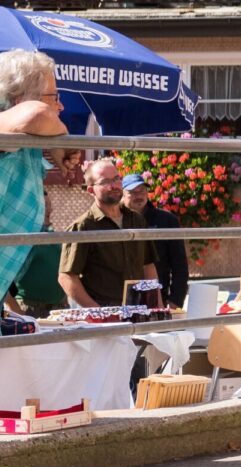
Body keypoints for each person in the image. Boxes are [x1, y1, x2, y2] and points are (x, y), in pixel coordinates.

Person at [0, 50, 67, 308]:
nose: (60, 106)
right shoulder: (8, 130)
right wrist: (63, 139)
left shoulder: (25, 145)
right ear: (21, 98)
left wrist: (59, 143)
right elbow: (36, 115)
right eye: (55, 96)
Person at [59, 157, 158, 309]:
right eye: (105, 182)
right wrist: (98, 312)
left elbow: (148, 265)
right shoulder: (83, 227)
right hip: (104, 313)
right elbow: (66, 277)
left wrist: (156, 306)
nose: (114, 186)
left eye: (117, 179)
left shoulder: (137, 221)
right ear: (91, 190)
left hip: (138, 310)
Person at [122, 172, 189, 307]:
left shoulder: (167, 220)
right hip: (120, 299)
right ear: (122, 195)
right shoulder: (115, 222)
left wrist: (175, 300)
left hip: (158, 299)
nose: (139, 196)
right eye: (133, 192)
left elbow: (179, 264)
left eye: (142, 191)